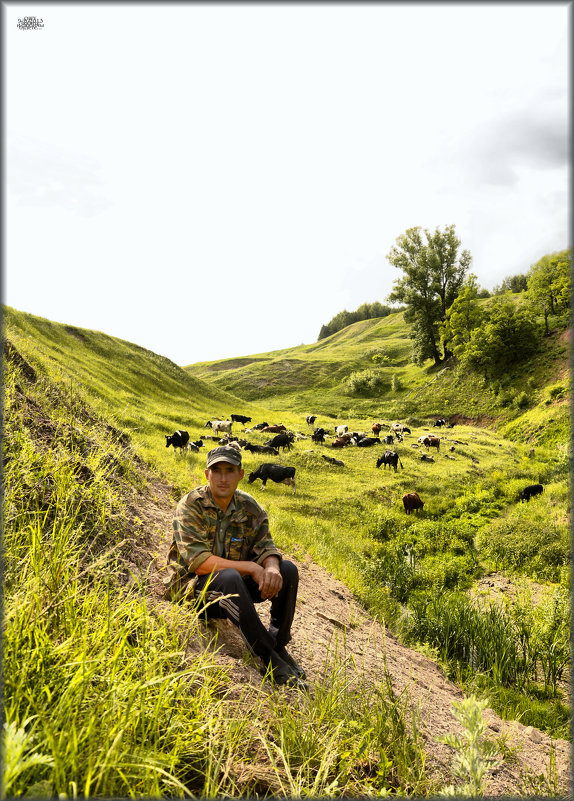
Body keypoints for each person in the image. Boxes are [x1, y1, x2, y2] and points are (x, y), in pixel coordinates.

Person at [163, 445, 306, 688]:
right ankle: (268, 656)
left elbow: (267, 546)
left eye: (229, 470)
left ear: (241, 474)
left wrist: (271, 567)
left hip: (232, 588)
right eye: (216, 471)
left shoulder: (249, 507)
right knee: (229, 576)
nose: (222, 477)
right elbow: (198, 563)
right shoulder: (190, 505)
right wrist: (251, 567)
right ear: (206, 474)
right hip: (192, 593)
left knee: (287, 570)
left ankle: (279, 643)